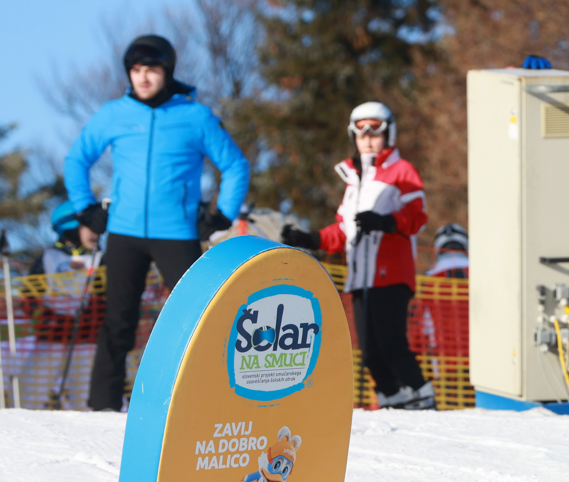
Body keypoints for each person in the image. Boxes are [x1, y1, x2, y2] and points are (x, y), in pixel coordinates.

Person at [64, 35, 250, 411]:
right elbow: (76, 159)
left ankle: (206, 401)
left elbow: (235, 165)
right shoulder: (114, 114)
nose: (143, 77)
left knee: (197, 318)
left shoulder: (194, 116)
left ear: (167, 71)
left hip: (177, 233)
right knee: (117, 321)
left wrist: (222, 216)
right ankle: (102, 405)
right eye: (136, 70)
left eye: (152, 69)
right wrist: (86, 209)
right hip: (124, 233)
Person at [281, 101, 434, 410]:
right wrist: (310, 238)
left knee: (392, 344)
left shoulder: (401, 172)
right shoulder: (354, 181)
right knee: (369, 351)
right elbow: (343, 231)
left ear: (389, 134)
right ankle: (392, 399)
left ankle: (421, 395)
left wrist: (388, 221)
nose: (368, 138)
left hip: (391, 273)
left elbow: (417, 216)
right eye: (361, 131)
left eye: (375, 130)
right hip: (360, 278)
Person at [29, 201, 102, 275]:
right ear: (72, 227)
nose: (96, 234)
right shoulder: (46, 260)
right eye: (91, 227)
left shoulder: (100, 259)